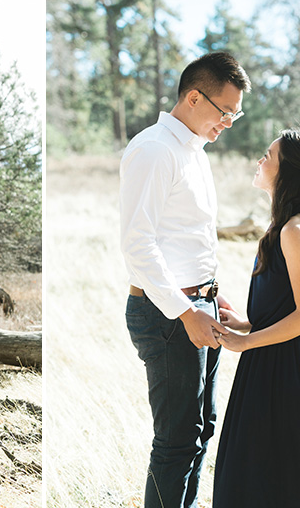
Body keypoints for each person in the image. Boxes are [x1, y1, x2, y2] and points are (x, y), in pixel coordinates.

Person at [120, 52, 251, 508]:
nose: (229, 123)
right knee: (176, 441)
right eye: (225, 112)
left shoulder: (193, 150)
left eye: (235, 114)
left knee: (202, 430)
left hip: (199, 308)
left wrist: (213, 296)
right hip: (168, 315)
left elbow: (186, 241)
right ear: (194, 97)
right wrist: (186, 309)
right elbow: (138, 245)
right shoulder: (154, 149)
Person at [213, 130, 300, 508]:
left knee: (287, 477)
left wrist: (248, 341)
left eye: (268, 156)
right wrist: (245, 325)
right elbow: (285, 307)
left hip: (288, 365)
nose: (259, 161)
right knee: (254, 472)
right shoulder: (281, 227)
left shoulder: (295, 229)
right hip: (270, 355)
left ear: (287, 172)